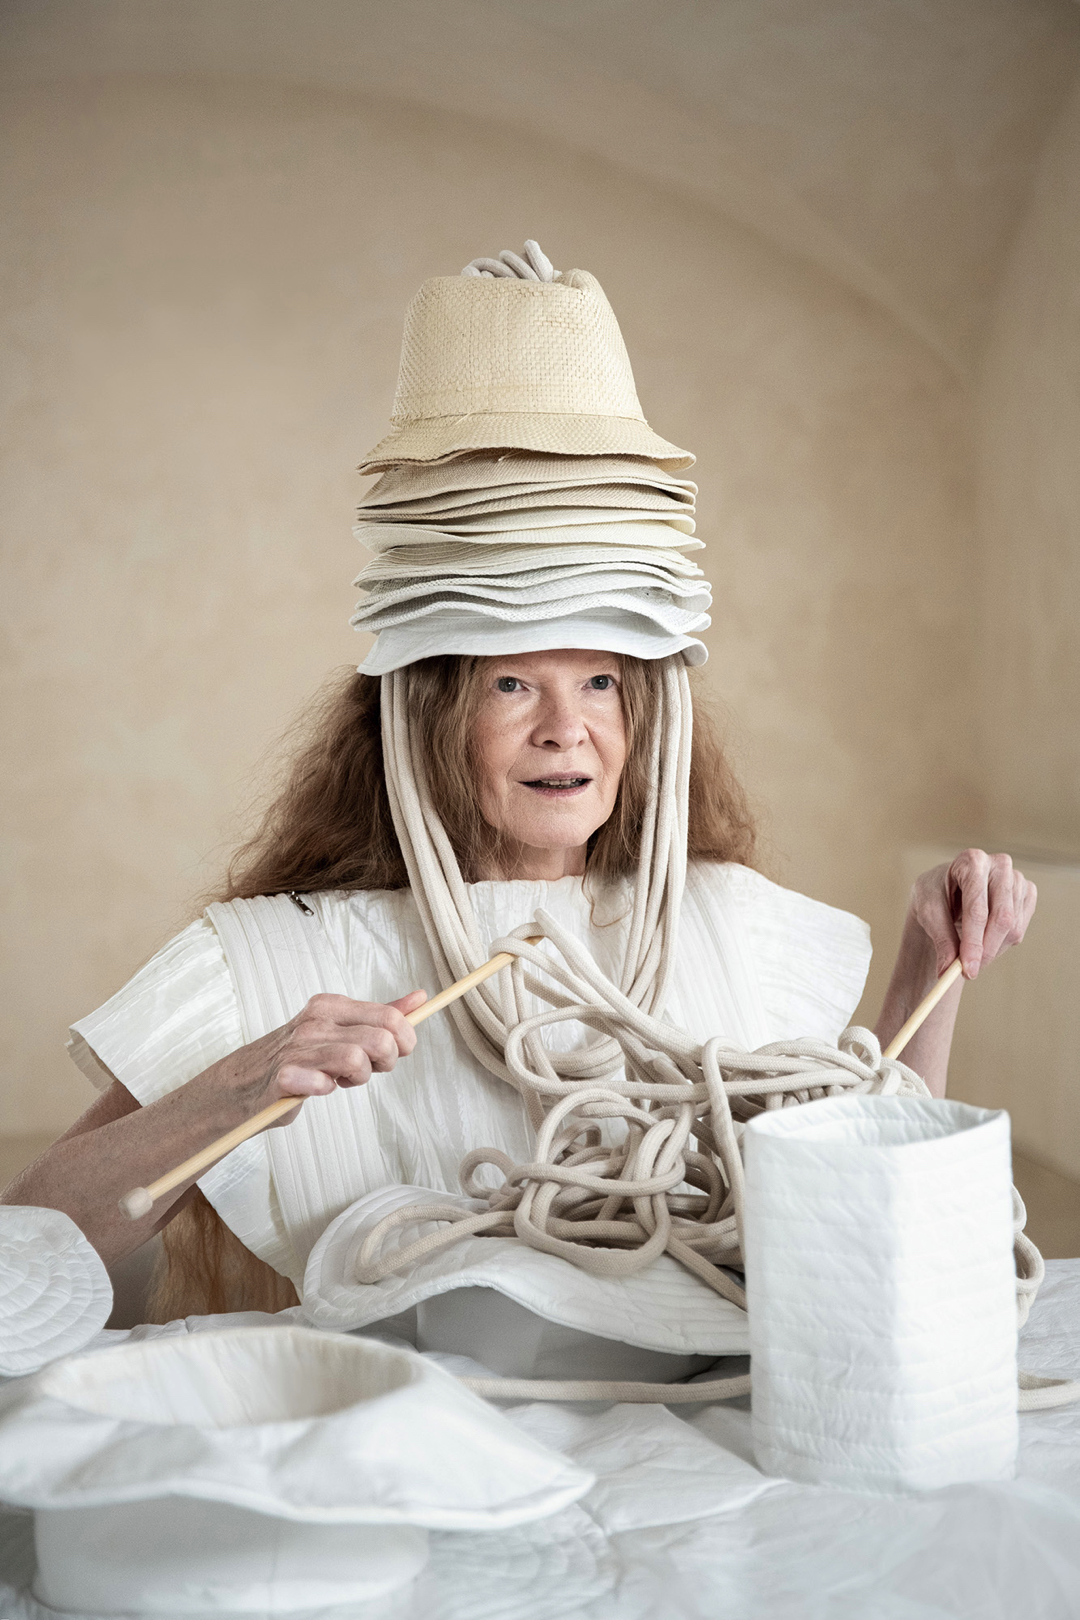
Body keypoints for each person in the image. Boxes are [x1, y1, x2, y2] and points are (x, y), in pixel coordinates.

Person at [3, 243, 1036, 1327]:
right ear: (427, 713)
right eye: (510, 683)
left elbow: (873, 1199)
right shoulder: (274, 962)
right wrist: (240, 1085)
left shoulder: (729, 926)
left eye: (601, 680)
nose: (566, 729)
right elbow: (27, 1242)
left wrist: (932, 964)